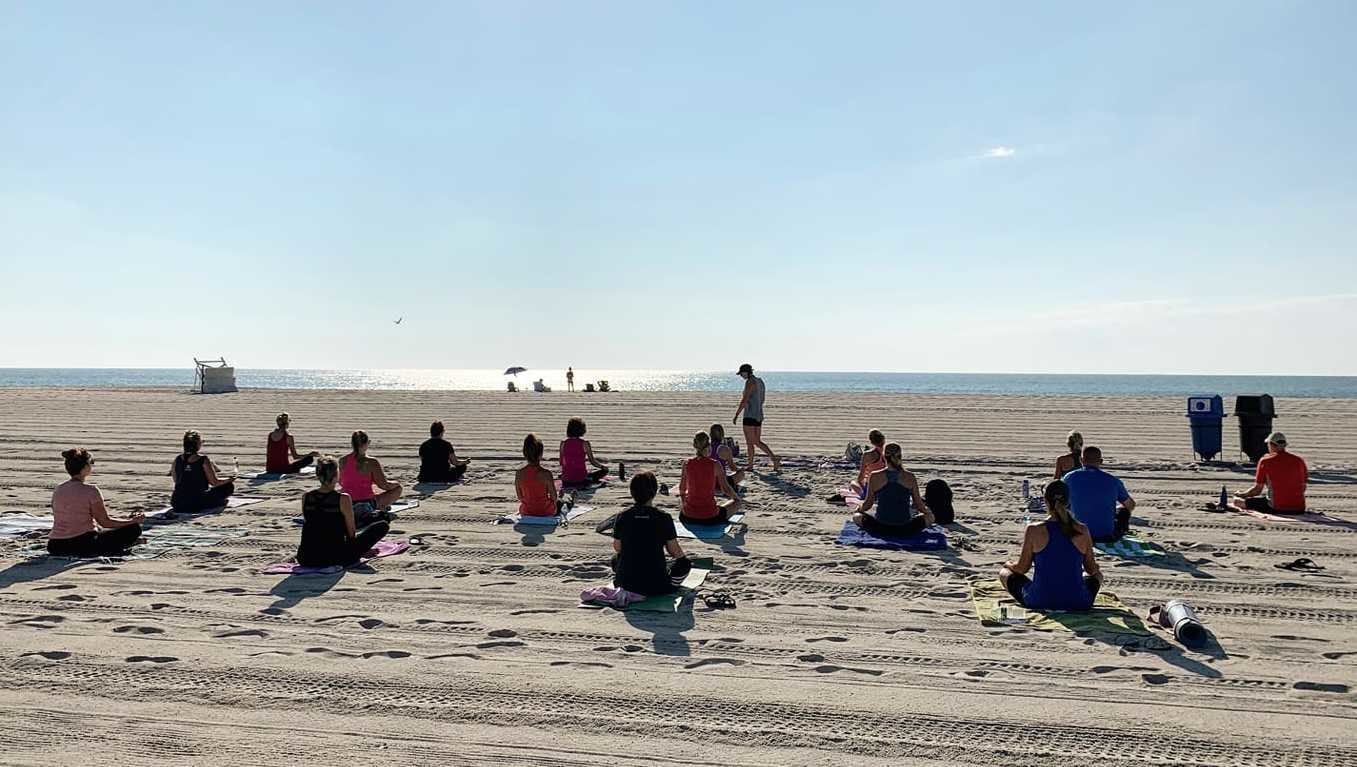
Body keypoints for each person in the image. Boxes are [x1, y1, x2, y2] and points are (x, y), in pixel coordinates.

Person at [998, 480, 1103, 611]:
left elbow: (1022, 568)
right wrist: (1096, 567)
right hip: (1078, 602)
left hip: (1040, 600)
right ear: (1068, 502)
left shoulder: (1034, 530)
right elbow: (1091, 570)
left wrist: (1009, 564)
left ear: (1045, 501)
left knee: (1004, 573)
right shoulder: (1082, 530)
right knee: (1098, 576)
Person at [295, 455, 391, 568]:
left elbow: (311, 525)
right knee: (382, 525)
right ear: (336, 476)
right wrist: (359, 549)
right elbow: (351, 533)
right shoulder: (343, 498)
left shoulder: (306, 497)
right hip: (335, 558)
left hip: (305, 558)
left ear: (318, 475)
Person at [48, 448, 144, 557]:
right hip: (83, 544)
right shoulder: (91, 490)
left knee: (106, 532)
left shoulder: (59, 489)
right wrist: (132, 521)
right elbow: (105, 522)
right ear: (85, 468)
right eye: (90, 463)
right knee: (134, 529)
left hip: (55, 545)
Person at [611, 471, 691, 596]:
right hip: (657, 586)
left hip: (625, 584)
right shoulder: (663, 517)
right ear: (654, 493)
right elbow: (675, 551)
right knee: (684, 564)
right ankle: (671, 584)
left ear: (632, 492)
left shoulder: (623, 516)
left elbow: (617, 547)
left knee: (616, 559)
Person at [854, 443, 934, 535]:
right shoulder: (910, 476)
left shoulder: (874, 476)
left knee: (857, 516)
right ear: (900, 457)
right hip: (905, 528)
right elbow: (919, 505)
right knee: (930, 517)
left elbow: (868, 504)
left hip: (881, 527)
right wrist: (927, 511)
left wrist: (859, 509)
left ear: (884, 457)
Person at [1062, 446, 1135, 543]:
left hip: (1079, 533)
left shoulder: (1069, 478)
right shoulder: (1113, 480)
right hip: (1105, 535)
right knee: (1123, 511)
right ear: (1101, 461)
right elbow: (1130, 504)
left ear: (1081, 460)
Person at [1231, 432, 1308, 514]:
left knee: (1237, 502)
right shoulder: (1299, 460)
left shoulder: (1265, 461)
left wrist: (1242, 494)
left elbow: (1257, 490)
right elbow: (1303, 487)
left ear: (1271, 445)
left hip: (1276, 507)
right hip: (1299, 507)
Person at [680, 432, 742, 524]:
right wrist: (736, 498)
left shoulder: (686, 463)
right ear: (708, 447)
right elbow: (725, 489)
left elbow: (682, 489)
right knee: (737, 503)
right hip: (710, 516)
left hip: (687, 516)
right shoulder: (715, 464)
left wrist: (686, 506)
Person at [338, 431, 403, 518]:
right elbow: (384, 485)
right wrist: (396, 484)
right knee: (398, 489)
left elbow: (341, 482)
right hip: (366, 502)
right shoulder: (371, 462)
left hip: (346, 502)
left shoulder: (342, 460)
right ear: (367, 443)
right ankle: (380, 506)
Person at [171, 430, 235, 513]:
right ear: (197, 444)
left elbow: (176, 480)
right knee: (228, 486)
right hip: (196, 502)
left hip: (177, 502)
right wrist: (229, 479)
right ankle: (216, 502)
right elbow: (214, 482)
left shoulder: (177, 459)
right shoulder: (203, 460)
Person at [732, 363, 781, 472]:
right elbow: (762, 399)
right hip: (758, 414)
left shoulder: (750, 382)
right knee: (756, 441)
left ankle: (773, 458)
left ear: (746, 372)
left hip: (750, 415)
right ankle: (752, 465)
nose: (741, 376)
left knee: (752, 442)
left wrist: (736, 414)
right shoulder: (760, 381)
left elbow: (744, 400)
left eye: (742, 374)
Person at [517, 433, 571, 517]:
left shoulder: (519, 473)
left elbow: (520, 496)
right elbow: (553, 497)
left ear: (524, 453)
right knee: (562, 502)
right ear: (540, 455)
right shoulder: (546, 474)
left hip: (527, 511)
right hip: (546, 511)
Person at [559, 417, 609, 488]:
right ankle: (590, 479)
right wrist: (603, 467)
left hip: (566, 479)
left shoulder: (563, 443)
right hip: (581, 479)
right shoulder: (585, 444)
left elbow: (561, 462)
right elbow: (592, 461)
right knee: (604, 471)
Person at [708, 423, 745, 488]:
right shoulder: (725, 448)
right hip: (721, 482)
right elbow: (732, 467)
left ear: (710, 435)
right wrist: (740, 470)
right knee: (741, 474)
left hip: (708, 481)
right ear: (722, 435)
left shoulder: (706, 447)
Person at [853, 429, 887, 497]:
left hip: (872, 487)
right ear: (884, 439)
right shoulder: (889, 453)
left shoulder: (867, 455)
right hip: (885, 485)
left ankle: (864, 493)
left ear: (871, 442)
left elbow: (860, 477)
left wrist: (863, 488)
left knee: (853, 483)